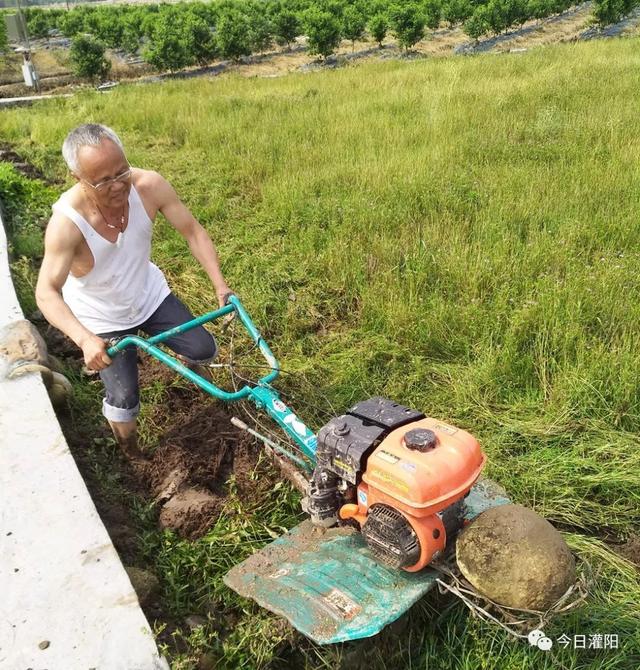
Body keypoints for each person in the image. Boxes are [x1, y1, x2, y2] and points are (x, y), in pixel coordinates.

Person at [35, 123, 233, 461]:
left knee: (203, 349)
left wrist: (220, 284)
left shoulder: (148, 186)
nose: (118, 186)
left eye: (121, 171)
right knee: (124, 399)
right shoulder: (67, 224)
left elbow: (193, 231)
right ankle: (132, 452)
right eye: (103, 180)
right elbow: (46, 292)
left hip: (149, 296)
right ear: (78, 178)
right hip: (102, 316)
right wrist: (85, 340)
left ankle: (195, 375)